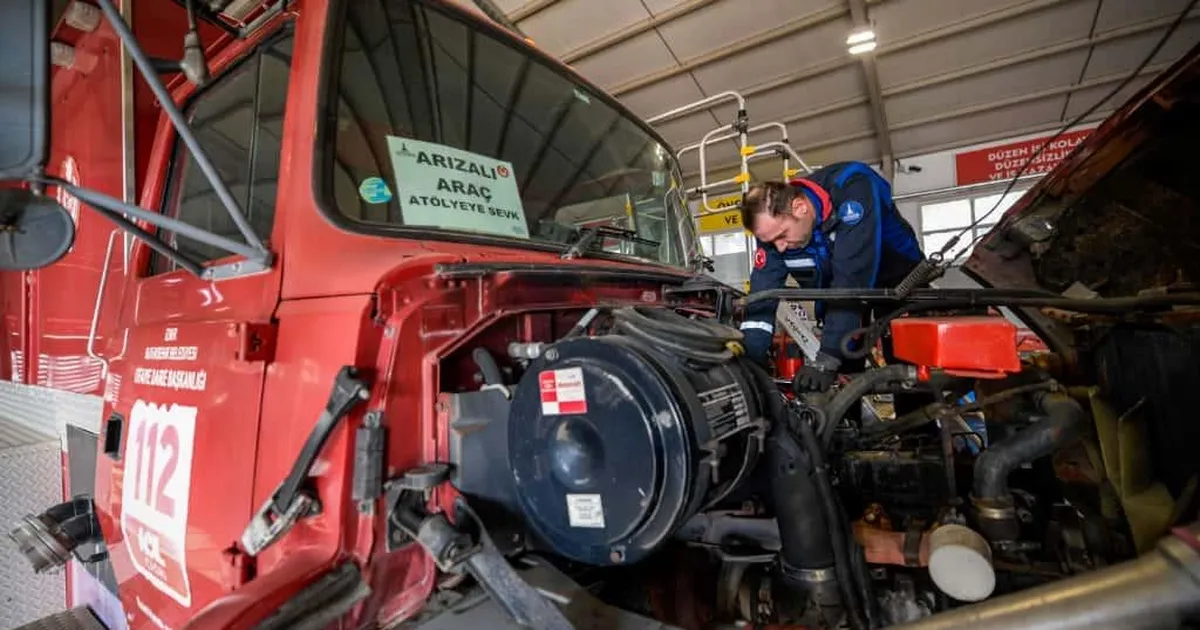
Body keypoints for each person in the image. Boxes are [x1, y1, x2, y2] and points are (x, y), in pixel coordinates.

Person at [739, 161, 924, 391]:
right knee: (844, 367)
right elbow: (762, 293)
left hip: (898, 278)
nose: (780, 247)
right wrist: (750, 360)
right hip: (840, 292)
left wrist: (826, 359)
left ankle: (920, 415)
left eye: (782, 235)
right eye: (770, 241)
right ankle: (848, 413)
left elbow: (851, 277)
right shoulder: (774, 229)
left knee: (905, 364)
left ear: (800, 207)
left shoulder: (852, 188)